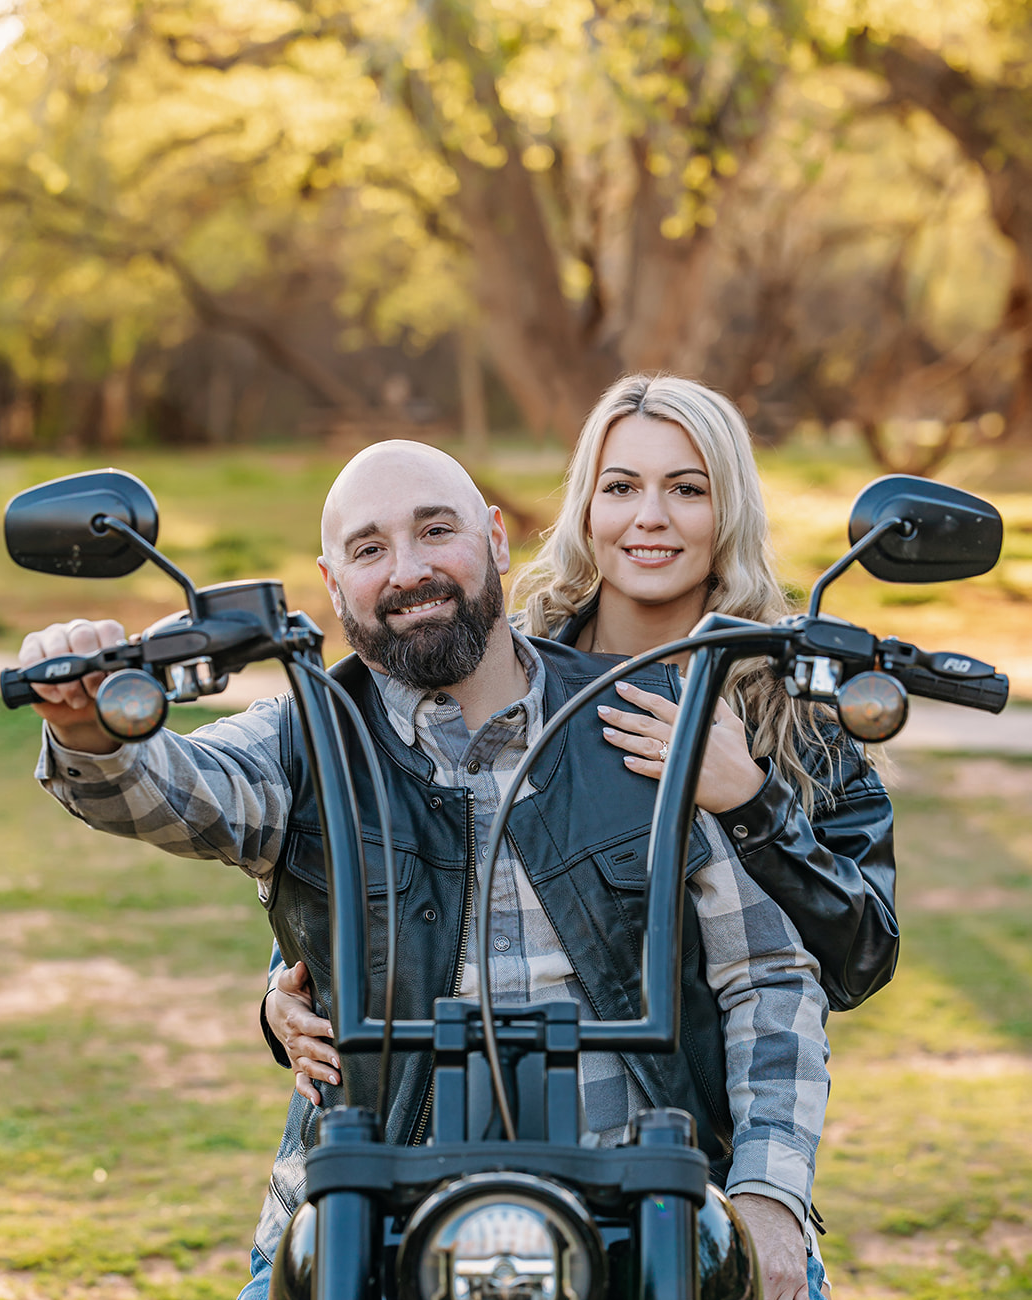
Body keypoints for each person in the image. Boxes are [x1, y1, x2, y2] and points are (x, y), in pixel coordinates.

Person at [20, 440, 965, 1300]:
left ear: (495, 544)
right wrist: (83, 722)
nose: (407, 566)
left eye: (434, 529)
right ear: (332, 587)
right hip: (365, 1231)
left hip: (656, 1230)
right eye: (368, 548)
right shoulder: (307, 739)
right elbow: (172, 787)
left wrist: (766, 1201)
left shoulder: (639, 727)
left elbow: (769, 984)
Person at [266, 374, 897, 1149]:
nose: (649, 518)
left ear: (727, 508)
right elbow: (380, 863)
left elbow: (860, 958)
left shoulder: (792, 703)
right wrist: (282, 991)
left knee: (772, 1268)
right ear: (587, 510)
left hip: (705, 1139)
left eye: (687, 489)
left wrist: (750, 801)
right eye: (621, 487)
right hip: (493, 1134)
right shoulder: (498, 664)